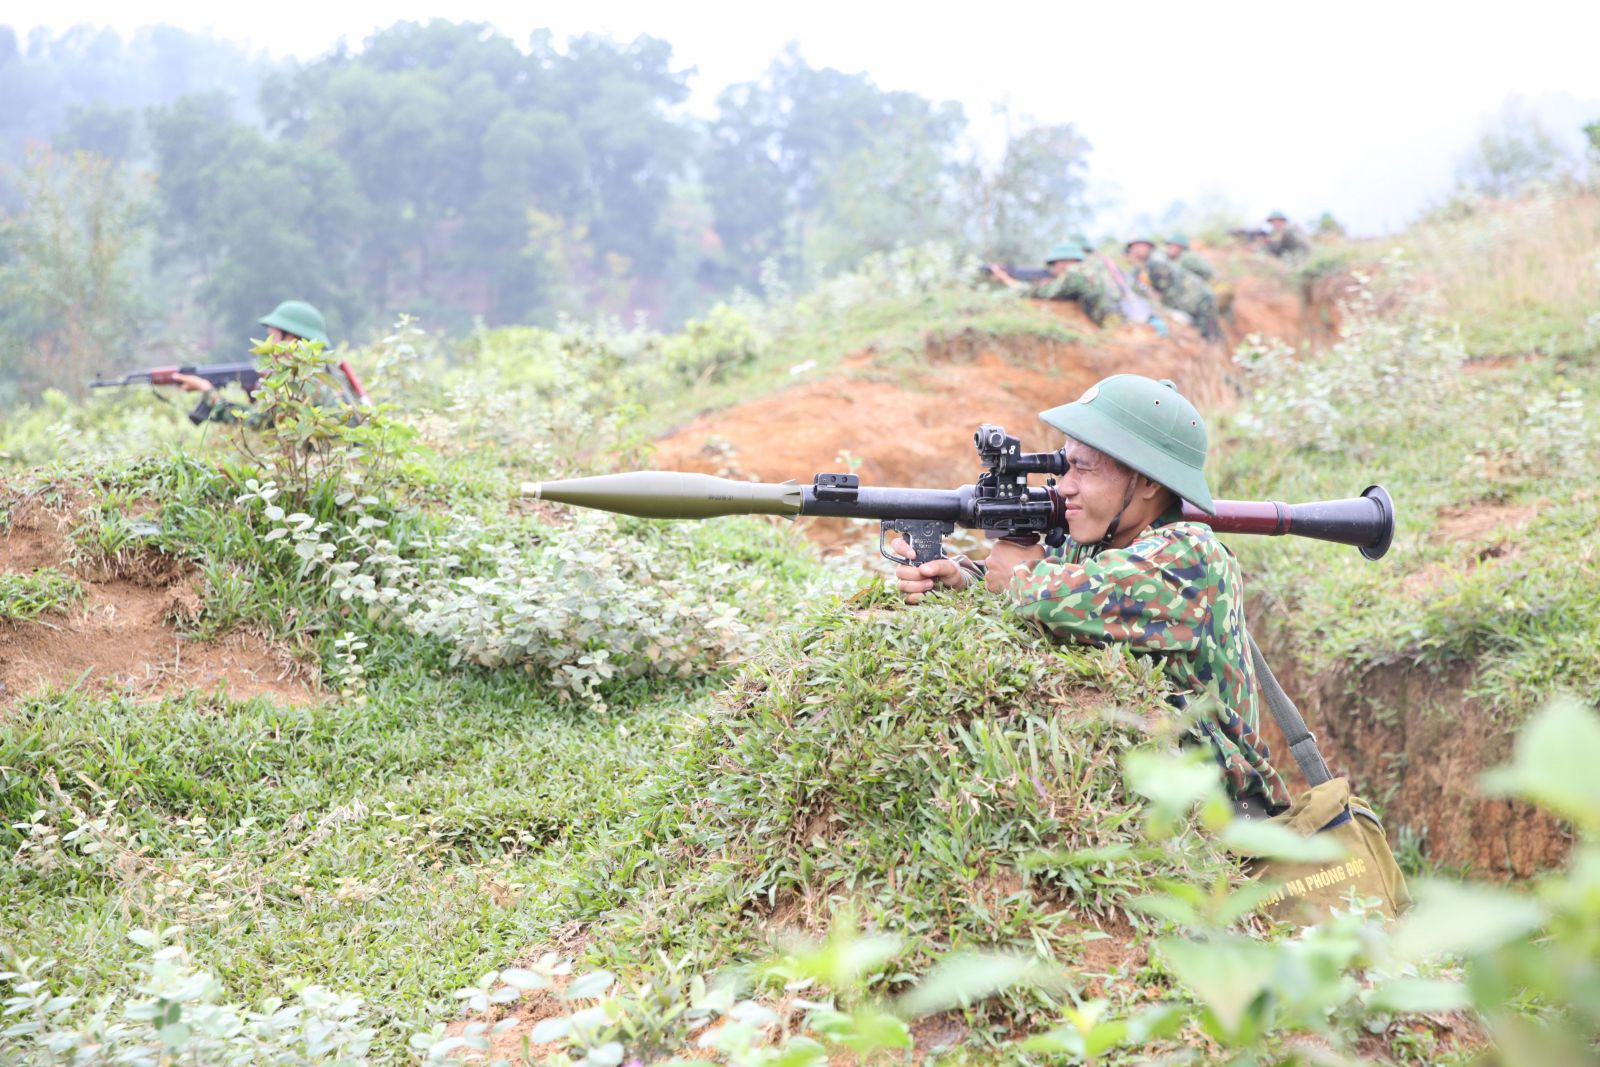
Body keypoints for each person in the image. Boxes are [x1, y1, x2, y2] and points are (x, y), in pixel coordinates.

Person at [892, 374, 1291, 817]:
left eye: (1084, 468)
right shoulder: (1095, 544)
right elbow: (1034, 600)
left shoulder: (1191, 556)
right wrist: (962, 580)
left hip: (1222, 813)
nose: (1064, 486)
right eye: (1065, 467)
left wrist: (1019, 575)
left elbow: (1057, 601)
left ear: (1147, 482)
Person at [171, 300, 346, 426]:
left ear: (291, 339)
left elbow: (259, 422)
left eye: (274, 337)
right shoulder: (320, 374)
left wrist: (207, 391)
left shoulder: (304, 383)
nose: (269, 344)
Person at [989, 243, 1118, 327]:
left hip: (1114, 326)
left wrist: (1006, 279)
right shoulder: (1094, 272)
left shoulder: (1075, 275)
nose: (1055, 268)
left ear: (1067, 262)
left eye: (1056, 263)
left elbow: (1038, 293)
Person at [1126, 238, 1222, 342]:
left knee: (1210, 336)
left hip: (1199, 300)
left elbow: (1164, 292)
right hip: (1185, 304)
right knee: (1198, 336)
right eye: (1133, 248)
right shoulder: (1141, 269)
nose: (1136, 250)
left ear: (1149, 247)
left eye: (1139, 246)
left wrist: (1167, 312)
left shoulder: (1156, 262)